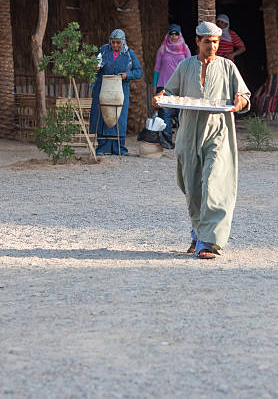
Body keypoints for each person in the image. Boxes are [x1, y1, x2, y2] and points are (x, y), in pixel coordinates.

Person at [153, 21, 250, 260]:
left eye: (216, 42)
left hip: (218, 131)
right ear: (197, 41)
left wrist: (240, 102)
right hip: (188, 132)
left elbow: (244, 96)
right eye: (208, 42)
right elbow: (170, 92)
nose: (212, 46)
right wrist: (161, 99)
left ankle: (210, 242)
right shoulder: (185, 66)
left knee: (215, 182)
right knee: (192, 186)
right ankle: (198, 232)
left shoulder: (227, 66)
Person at [90, 28, 142, 156]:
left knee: (119, 116)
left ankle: (119, 148)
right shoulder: (103, 51)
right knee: (103, 115)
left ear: (123, 42)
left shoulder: (129, 54)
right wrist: (95, 67)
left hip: (120, 91)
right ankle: (102, 147)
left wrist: (127, 75)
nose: (115, 45)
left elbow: (138, 72)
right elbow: (95, 66)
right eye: (113, 42)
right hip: (103, 89)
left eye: (118, 43)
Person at [152, 24, 191, 140]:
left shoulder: (185, 48)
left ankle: (183, 140)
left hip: (180, 86)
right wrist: (154, 84)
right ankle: (167, 139)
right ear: (168, 35)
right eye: (171, 33)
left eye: (176, 33)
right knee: (165, 113)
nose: (173, 36)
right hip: (163, 85)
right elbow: (157, 68)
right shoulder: (163, 49)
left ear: (180, 35)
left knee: (182, 114)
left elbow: (191, 67)